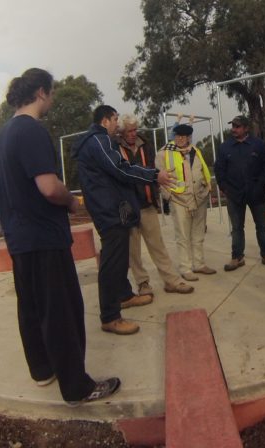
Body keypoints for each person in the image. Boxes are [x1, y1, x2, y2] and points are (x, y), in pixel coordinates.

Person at [0, 67, 118, 405]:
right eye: (51, 94)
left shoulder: (6, 133)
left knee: (32, 307)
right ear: (40, 93)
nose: (52, 100)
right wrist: (71, 200)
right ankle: (77, 386)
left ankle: (42, 370)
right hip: (44, 237)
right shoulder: (31, 131)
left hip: (19, 238)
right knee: (61, 311)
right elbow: (48, 187)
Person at [72, 105, 175, 336]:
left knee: (119, 259)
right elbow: (120, 169)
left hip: (109, 208)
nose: (118, 125)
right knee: (112, 262)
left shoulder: (97, 141)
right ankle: (110, 316)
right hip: (108, 211)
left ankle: (125, 295)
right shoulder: (99, 141)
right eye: (115, 120)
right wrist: (153, 175)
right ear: (105, 120)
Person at [116, 114, 194, 296]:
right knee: (133, 250)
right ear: (121, 132)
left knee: (158, 246)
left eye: (135, 130)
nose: (133, 134)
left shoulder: (146, 145)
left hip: (147, 203)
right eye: (129, 131)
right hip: (127, 206)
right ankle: (143, 283)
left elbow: (154, 169)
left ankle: (171, 281)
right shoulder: (114, 148)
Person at [214, 115, 265, 271]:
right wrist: (224, 187)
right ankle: (237, 257)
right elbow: (219, 169)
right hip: (234, 195)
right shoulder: (225, 147)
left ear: (246, 128)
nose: (234, 129)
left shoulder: (258, 145)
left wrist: (261, 184)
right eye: (233, 126)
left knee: (261, 226)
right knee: (236, 228)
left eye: (238, 126)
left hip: (255, 194)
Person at [156, 124, 217, 281]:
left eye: (185, 136)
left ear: (190, 137)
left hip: (198, 199)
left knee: (198, 234)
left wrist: (206, 189)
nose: (181, 139)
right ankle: (186, 268)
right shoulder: (163, 154)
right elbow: (159, 178)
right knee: (182, 236)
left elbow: (203, 171)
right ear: (174, 136)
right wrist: (169, 197)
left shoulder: (196, 151)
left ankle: (199, 264)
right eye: (178, 136)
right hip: (179, 201)